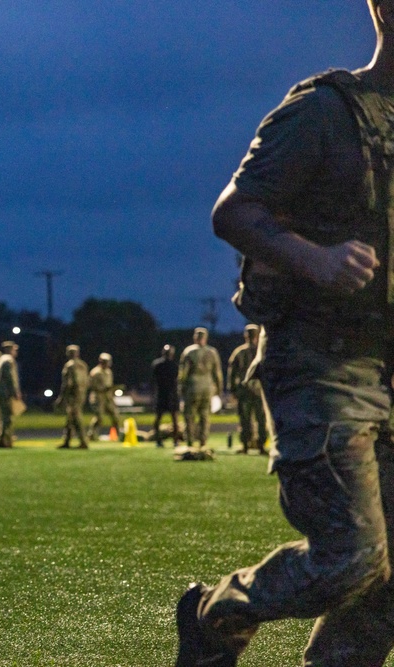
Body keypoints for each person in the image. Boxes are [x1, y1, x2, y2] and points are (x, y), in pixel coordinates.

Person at [176, 4, 394, 664]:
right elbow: (234, 210)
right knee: (352, 556)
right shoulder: (326, 111)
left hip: (387, 367)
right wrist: (318, 259)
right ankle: (218, 614)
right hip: (321, 363)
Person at [177, 327, 223, 450]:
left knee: (189, 415)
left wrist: (181, 387)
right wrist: (219, 390)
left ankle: (190, 441)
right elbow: (217, 374)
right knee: (205, 415)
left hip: (193, 386)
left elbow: (183, 373)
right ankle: (203, 441)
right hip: (207, 387)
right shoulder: (212, 352)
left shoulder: (189, 352)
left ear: (195, 338)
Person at [226, 324, 268, 455]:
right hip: (259, 391)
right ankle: (261, 445)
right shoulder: (263, 352)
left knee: (245, 419)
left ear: (246, 336)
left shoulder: (239, 352)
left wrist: (232, 390)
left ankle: (245, 445)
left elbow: (232, 373)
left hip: (244, 391)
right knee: (261, 419)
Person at [54, 344, 89, 449]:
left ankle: (83, 441)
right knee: (70, 418)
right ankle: (67, 440)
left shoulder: (69, 365)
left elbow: (67, 383)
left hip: (73, 395)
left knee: (76, 417)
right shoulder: (83, 365)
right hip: (81, 394)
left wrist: (61, 397)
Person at [151, 344, 182, 448]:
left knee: (159, 418)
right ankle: (175, 441)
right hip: (171, 394)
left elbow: (154, 379)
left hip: (161, 393)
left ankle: (158, 440)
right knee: (174, 419)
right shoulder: (174, 365)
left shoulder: (157, 364)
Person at [0, 341, 22, 448]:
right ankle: (6, 440)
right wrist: (15, 392)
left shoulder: (1, 360)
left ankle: (2, 439)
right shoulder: (8, 360)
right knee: (7, 418)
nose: (16, 352)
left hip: (1, 393)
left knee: (3, 417)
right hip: (6, 394)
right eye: (14, 350)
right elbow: (10, 378)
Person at [88, 352, 120, 441]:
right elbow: (91, 385)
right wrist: (102, 389)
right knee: (99, 418)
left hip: (108, 397)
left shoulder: (109, 372)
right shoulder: (95, 372)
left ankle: (119, 434)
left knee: (115, 416)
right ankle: (92, 434)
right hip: (98, 397)